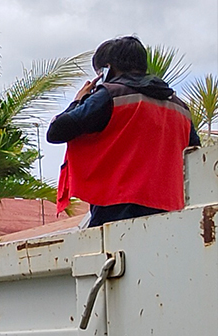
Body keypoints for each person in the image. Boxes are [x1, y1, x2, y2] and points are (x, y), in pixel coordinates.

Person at [48, 36, 201, 228]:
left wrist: (78, 101)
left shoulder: (111, 95)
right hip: (169, 210)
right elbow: (195, 155)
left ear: (107, 69)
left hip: (115, 208)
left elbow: (56, 131)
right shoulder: (180, 108)